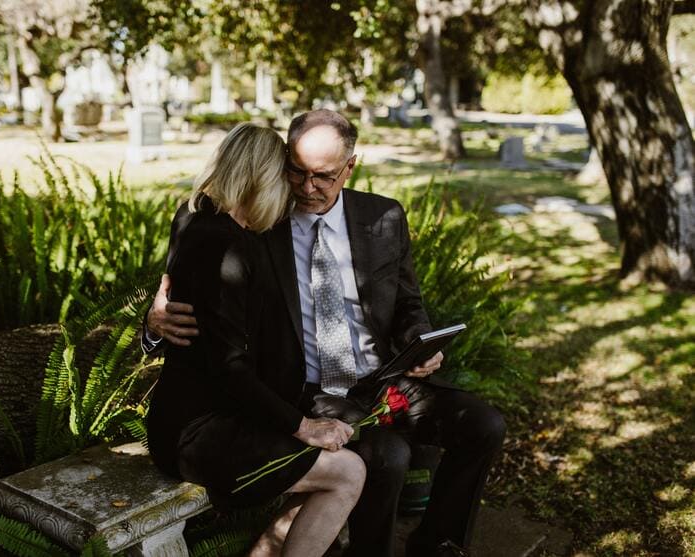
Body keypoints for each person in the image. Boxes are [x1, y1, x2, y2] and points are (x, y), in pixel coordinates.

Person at [146, 110, 506, 557]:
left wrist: (421, 342)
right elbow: (194, 289)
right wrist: (152, 323)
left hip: (381, 375)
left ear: (350, 166)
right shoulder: (260, 219)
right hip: (309, 387)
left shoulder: (383, 217)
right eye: (296, 172)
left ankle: (439, 544)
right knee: (387, 457)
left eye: (323, 176)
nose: (307, 188)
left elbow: (409, 303)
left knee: (484, 425)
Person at [146, 122, 366, 557]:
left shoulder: (208, 218)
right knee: (347, 472)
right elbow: (225, 362)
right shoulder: (219, 243)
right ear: (262, 175)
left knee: (341, 462)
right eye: (287, 176)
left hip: (224, 414)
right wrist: (302, 426)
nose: (296, 190)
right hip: (200, 430)